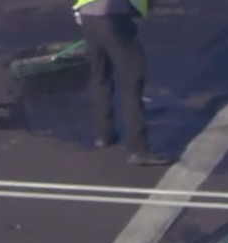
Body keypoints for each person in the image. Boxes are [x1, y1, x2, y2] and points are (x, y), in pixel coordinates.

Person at [72, 0, 173, 166]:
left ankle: (104, 134)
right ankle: (139, 149)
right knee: (132, 82)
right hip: (113, 17)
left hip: (87, 15)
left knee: (100, 76)